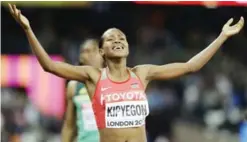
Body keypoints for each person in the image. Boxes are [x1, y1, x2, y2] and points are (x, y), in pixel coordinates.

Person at [8, 3, 244, 142]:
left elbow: (191, 66)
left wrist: (222, 36)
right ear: (102, 50)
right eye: (111, 38)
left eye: (122, 37)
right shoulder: (93, 76)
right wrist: (28, 29)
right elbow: (50, 65)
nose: (118, 40)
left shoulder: (142, 73)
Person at [61, 39, 103, 142]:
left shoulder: (114, 81)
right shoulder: (74, 86)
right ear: (81, 57)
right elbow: (69, 126)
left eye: (94, 50)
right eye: (86, 51)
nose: (91, 54)